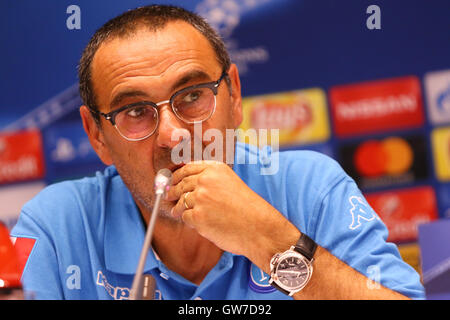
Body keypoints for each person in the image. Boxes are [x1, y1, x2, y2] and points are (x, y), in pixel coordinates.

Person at [11, 5, 424, 300]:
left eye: (191, 96)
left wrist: (271, 240)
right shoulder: (56, 226)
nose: (173, 137)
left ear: (235, 96)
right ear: (96, 134)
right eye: (135, 111)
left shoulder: (310, 187)